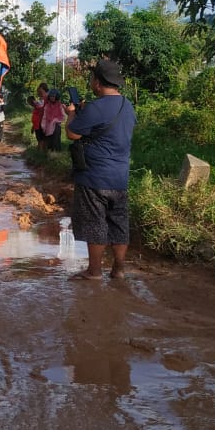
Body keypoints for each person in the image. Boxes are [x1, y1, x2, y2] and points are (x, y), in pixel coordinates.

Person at [65, 59, 136, 279]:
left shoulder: (95, 107)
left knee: (95, 223)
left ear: (97, 82)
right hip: (120, 177)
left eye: (92, 79)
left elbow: (73, 133)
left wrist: (71, 114)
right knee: (119, 223)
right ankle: (119, 269)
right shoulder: (127, 105)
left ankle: (94, 271)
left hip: (94, 177)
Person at [31, 83, 49, 150]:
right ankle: (40, 155)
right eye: (38, 92)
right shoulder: (40, 101)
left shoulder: (47, 99)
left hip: (44, 124)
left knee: (43, 140)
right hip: (38, 124)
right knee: (40, 140)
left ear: (45, 91)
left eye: (41, 92)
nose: (39, 94)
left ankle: (42, 155)